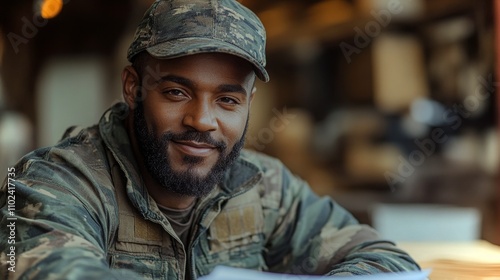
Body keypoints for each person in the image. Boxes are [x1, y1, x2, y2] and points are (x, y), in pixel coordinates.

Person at [0, 0, 421, 279]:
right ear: (133, 88)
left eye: (227, 99)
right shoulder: (51, 183)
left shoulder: (264, 188)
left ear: (249, 103)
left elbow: (389, 263)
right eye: (176, 92)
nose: (202, 120)